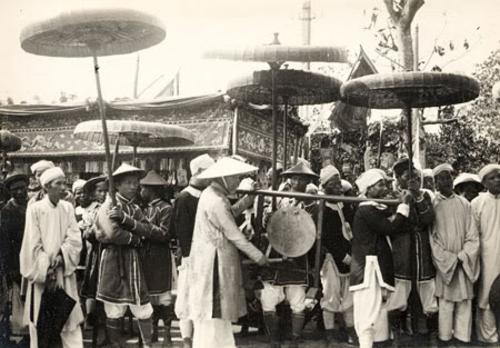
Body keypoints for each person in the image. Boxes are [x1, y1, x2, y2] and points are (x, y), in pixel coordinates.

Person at [187, 157, 267, 348]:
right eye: (234, 178)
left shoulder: (214, 194)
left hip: (214, 258)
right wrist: (259, 256)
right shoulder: (215, 200)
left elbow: (230, 213)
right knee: (213, 312)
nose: (237, 182)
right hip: (213, 263)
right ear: (223, 178)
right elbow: (235, 234)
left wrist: (248, 198)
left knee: (220, 315)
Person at [19, 166, 84, 348]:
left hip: (65, 272)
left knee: (70, 322)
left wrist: (62, 256)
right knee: (41, 324)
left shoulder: (68, 208)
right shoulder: (35, 209)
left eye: (65, 183)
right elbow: (32, 242)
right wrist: (47, 268)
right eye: (59, 183)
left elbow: (74, 237)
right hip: (43, 276)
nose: (64, 187)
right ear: (47, 187)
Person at [95, 163, 157, 348]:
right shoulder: (108, 206)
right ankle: (116, 345)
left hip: (133, 262)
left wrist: (125, 220)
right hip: (113, 261)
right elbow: (113, 234)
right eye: (128, 182)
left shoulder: (135, 208)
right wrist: (136, 239)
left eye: (136, 182)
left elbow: (148, 230)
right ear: (117, 185)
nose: (134, 186)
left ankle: (147, 345)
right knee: (114, 308)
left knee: (143, 307)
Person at [259, 161, 318, 348]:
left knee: (298, 299)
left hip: (299, 256)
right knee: (268, 297)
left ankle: (294, 340)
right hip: (278, 252)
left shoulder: (312, 204)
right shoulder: (280, 199)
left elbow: (310, 230)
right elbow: (268, 224)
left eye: (301, 179)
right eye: (294, 177)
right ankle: (274, 339)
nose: (296, 181)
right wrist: (269, 214)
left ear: (308, 181)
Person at [350, 168, 411, 348]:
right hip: (368, 270)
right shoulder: (366, 209)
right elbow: (389, 228)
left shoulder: (376, 208)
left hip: (377, 268)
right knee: (367, 314)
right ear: (368, 189)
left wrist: (400, 204)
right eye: (380, 184)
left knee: (379, 313)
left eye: (385, 183)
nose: (385, 187)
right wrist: (403, 206)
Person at [430, 163, 480, 344]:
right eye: (442, 178)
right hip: (445, 266)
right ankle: (444, 339)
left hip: (463, 263)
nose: (447, 181)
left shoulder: (465, 204)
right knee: (445, 305)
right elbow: (432, 240)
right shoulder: (433, 205)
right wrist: (449, 259)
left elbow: (473, 235)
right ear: (435, 183)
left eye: (449, 177)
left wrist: (464, 256)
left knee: (465, 304)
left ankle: (462, 340)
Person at [389, 158, 437, 337]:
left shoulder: (426, 195)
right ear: (398, 178)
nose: (414, 180)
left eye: (416, 176)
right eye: (408, 176)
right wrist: (405, 202)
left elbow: (428, 219)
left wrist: (417, 196)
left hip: (422, 249)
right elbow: (395, 224)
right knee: (400, 290)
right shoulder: (391, 196)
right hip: (401, 248)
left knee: (428, 289)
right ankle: (398, 332)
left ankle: (431, 333)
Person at [172, 153, 215, 348]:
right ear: (198, 173)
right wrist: (190, 257)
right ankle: (187, 341)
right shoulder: (184, 198)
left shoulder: (207, 196)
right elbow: (182, 232)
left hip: (206, 255)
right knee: (187, 299)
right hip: (192, 258)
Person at [318, 165, 356, 346]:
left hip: (348, 255)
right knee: (331, 295)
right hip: (332, 259)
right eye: (333, 182)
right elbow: (327, 237)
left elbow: (352, 228)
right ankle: (329, 333)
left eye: (339, 181)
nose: (338, 185)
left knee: (349, 296)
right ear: (325, 185)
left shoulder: (344, 204)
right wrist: (342, 256)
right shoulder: (323, 208)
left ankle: (350, 330)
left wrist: (351, 253)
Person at [139, 170, 175, 346]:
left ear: (150, 189)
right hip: (146, 255)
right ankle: (152, 330)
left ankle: (167, 332)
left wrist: (143, 228)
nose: (140, 192)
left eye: (142, 188)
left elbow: (165, 234)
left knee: (163, 295)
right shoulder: (144, 208)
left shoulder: (166, 208)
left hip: (160, 256)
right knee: (150, 294)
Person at [0, 171, 30, 347]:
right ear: (10, 192)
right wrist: (8, 268)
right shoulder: (6, 212)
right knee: (17, 301)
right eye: (15, 189)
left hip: (32, 260)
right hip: (15, 262)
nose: (20, 192)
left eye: (22, 188)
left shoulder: (33, 207)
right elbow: (4, 243)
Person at [471, 164, 500, 343]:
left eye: (499, 177)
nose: (497, 180)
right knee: (487, 297)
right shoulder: (477, 203)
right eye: (492, 178)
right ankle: (489, 338)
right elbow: (473, 234)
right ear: (484, 183)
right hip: (487, 256)